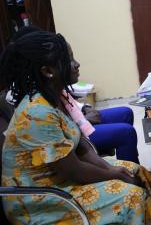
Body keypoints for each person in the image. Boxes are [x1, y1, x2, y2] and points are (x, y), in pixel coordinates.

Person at [0, 30, 151, 224]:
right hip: (41, 200)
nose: (77, 64)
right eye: (69, 60)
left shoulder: (55, 97)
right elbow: (72, 170)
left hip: (59, 180)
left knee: (134, 170)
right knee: (131, 194)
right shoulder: (37, 112)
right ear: (48, 71)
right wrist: (113, 175)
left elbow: (82, 146)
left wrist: (111, 169)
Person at [9, 26, 140, 164]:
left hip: (75, 127)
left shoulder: (50, 86)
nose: (77, 64)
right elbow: (67, 157)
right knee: (126, 133)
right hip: (67, 142)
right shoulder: (33, 103)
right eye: (69, 60)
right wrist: (84, 120)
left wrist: (84, 109)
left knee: (125, 113)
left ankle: (130, 167)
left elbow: (69, 105)